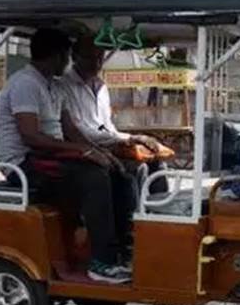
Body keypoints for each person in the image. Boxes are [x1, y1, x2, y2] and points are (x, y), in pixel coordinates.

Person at [0, 28, 136, 284]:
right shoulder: (25, 84)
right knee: (94, 178)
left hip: (51, 156)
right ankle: (101, 262)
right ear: (55, 56)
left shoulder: (55, 86)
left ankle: (123, 251)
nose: (68, 63)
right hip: (25, 163)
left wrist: (100, 152)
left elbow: (71, 131)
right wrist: (82, 151)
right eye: (66, 56)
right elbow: (31, 137)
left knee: (119, 171)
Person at [58, 34, 168, 194]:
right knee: (138, 168)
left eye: (99, 58)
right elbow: (79, 131)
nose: (96, 64)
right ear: (74, 57)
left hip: (109, 143)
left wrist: (134, 138)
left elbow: (108, 127)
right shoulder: (63, 86)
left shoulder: (101, 86)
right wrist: (127, 139)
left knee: (157, 160)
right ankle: (137, 209)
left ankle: (160, 207)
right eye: (89, 58)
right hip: (85, 147)